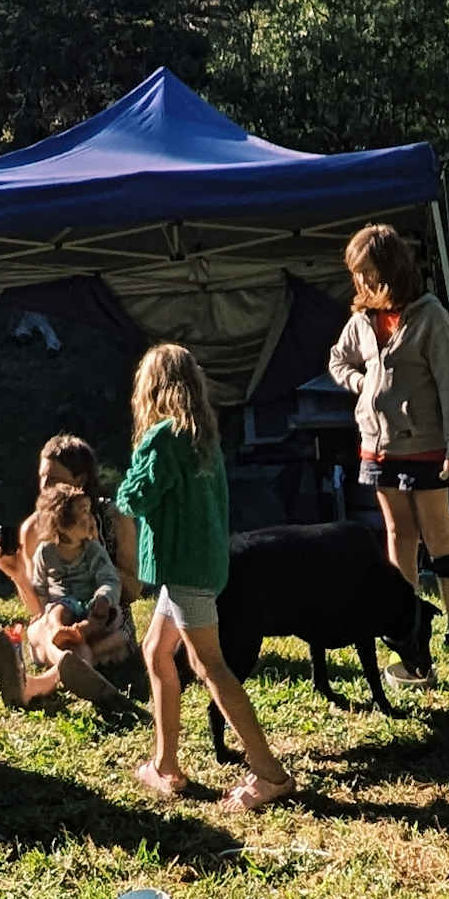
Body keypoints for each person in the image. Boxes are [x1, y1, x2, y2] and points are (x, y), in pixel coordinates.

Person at [117, 342, 293, 812]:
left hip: (184, 571)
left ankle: (270, 774)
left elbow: (135, 498)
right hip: (200, 567)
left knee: (209, 666)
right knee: (156, 652)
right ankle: (165, 764)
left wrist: (125, 473)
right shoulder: (203, 438)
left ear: (151, 389)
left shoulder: (162, 439)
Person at [327, 222, 449, 660]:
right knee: (397, 535)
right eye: (356, 273)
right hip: (377, 446)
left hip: (427, 445)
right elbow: (338, 360)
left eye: (366, 271)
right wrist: (361, 382)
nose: (360, 281)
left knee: (437, 535)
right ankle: (406, 628)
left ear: (389, 269)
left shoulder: (430, 314)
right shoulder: (361, 319)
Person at [0, 482, 140, 711]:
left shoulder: (93, 549)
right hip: (63, 613)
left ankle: (34, 685)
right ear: (62, 523)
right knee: (53, 619)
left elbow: (109, 580)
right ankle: (76, 666)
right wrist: (17, 574)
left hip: (93, 613)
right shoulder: (46, 552)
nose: (90, 518)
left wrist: (103, 599)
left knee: (62, 627)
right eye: (82, 514)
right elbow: (41, 592)